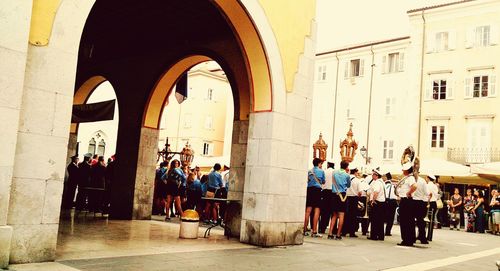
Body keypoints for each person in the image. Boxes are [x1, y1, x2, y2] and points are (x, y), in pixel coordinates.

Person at [395, 160, 417, 247]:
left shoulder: (410, 178)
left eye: (403, 170)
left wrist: (408, 193)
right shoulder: (408, 178)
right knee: (408, 221)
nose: (402, 171)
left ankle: (407, 240)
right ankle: (409, 239)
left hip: (407, 200)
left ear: (406, 170)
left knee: (405, 221)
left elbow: (415, 186)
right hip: (406, 201)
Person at [327, 160, 350, 240]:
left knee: (334, 215)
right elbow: (348, 185)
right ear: (347, 167)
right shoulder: (347, 175)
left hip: (334, 194)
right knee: (341, 215)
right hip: (342, 196)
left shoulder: (334, 173)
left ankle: (330, 233)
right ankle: (338, 234)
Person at [304, 158, 325, 237]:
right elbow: (323, 181)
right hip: (317, 191)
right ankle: (314, 231)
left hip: (309, 190)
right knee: (317, 210)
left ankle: (304, 229)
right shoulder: (321, 171)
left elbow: (308, 180)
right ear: (319, 164)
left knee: (308, 210)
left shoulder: (309, 171)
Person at [367, 169, 386, 241]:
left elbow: (376, 192)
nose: (372, 176)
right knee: (380, 220)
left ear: (376, 175)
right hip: (382, 203)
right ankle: (381, 236)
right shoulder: (382, 182)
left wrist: (373, 201)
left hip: (377, 202)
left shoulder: (377, 182)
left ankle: (374, 236)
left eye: (373, 174)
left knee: (374, 220)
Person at [342, 167, 361, 237]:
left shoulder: (346, 178)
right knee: (353, 216)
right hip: (354, 198)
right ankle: (351, 232)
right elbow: (360, 192)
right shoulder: (357, 180)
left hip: (346, 198)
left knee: (345, 215)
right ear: (355, 172)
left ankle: (343, 231)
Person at [412, 172, 429, 244]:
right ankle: (422, 238)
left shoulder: (410, 179)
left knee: (412, 221)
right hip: (420, 202)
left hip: (413, 201)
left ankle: (413, 237)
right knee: (420, 221)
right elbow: (426, 193)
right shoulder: (422, 181)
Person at [319, 162, 334, 234]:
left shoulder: (324, 171)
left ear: (328, 165)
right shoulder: (335, 172)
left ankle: (322, 228)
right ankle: (333, 229)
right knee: (333, 212)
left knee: (324, 211)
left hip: (325, 192)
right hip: (333, 193)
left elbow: (322, 182)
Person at [384, 172, 398, 237]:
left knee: (384, 216)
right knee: (391, 218)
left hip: (386, 201)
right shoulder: (395, 186)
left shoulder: (385, 185)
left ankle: (382, 230)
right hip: (392, 201)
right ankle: (387, 231)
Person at [426, 175, 438, 241]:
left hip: (428, 202)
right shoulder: (435, 186)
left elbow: (426, 194)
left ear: (428, 178)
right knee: (431, 220)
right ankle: (429, 236)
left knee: (424, 220)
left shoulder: (427, 185)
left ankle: (422, 235)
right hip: (434, 203)